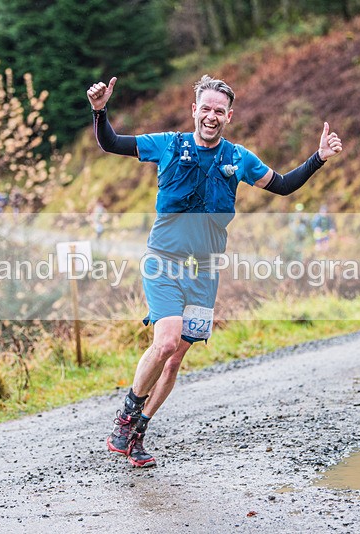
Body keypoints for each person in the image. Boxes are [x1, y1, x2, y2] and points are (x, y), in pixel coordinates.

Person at [87, 75, 342, 467]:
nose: (211, 116)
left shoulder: (239, 158)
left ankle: (138, 432)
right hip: (164, 261)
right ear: (194, 111)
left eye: (218, 111)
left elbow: (286, 185)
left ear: (229, 116)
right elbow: (111, 143)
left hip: (204, 272)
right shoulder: (168, 145)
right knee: (167, 340)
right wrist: (100, 111)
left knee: (175, 361)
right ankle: (126, 415)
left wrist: (319, 157)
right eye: (205, 108)